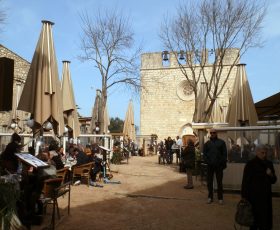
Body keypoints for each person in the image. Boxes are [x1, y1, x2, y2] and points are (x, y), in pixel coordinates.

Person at [241, 144, 277, 230]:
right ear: (257, 152)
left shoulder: (269, 164)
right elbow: (245, 182)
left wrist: (271, 174)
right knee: (254, 221)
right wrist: (244, 196)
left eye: (265, 153)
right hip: (253, 198)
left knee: (265, 221)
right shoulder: (250, 164)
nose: (264, 155)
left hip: (266, 197)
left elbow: (274, 180)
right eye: (262, 153)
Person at [203, 128, 227, 204]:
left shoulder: (222, 142)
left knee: (219, 182)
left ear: (216, 133)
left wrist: (220, 162)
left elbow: (224, 154)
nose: (212, 134)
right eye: (211, 133)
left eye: (214, 133)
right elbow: (205, 154)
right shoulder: (207, 144)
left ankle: (220, 198)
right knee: (209, 182)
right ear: (210, 134)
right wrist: (208, 162)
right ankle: (210, 197)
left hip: (219, 166)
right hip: (210, 166)